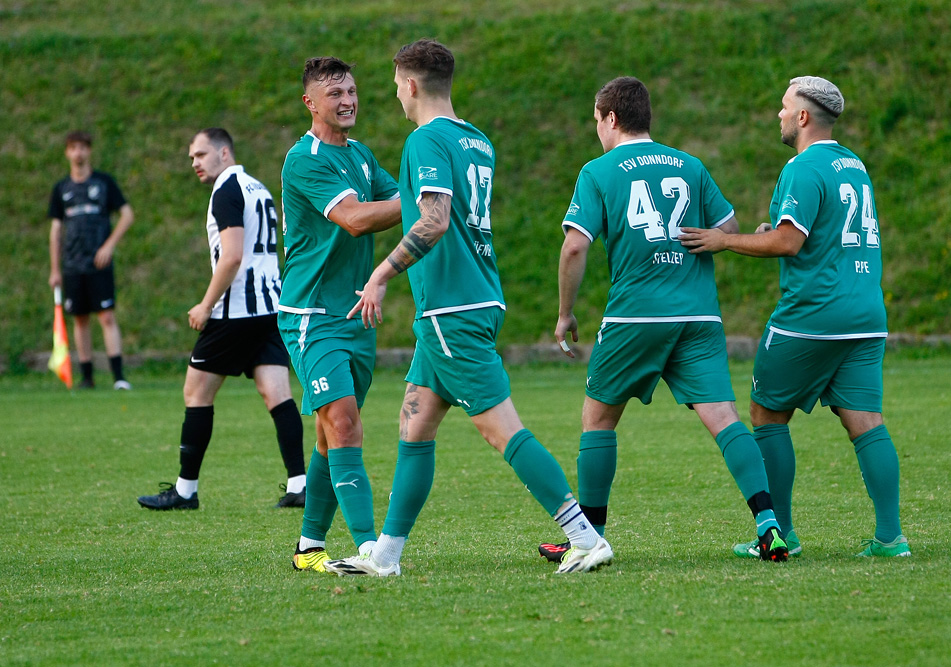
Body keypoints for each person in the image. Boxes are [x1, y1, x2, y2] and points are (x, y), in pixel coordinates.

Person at [326, 38, 611, 578]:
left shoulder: (425, 141)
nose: (395, 95)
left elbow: (433, 221)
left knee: (501, 428)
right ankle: (385, 555)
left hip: (452, 309)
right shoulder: (477, 140)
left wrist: (381, 275)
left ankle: (583, 535)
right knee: (415, 426)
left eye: (394, 86)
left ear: (410, 85)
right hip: (471, 299)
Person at [535, 76, 788, 565]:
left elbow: (574, 245)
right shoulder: (688, 165)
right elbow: (728, 228)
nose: (597, 131)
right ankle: (769, 525)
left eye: (596, 121)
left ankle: (590, 539)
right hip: (698, 315)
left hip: (635, 315)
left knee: (598, 418)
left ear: (610, 119)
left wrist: (566, 313)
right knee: (723, 418)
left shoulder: (598, 170)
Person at [679, 76, 910, 558]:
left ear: (803, 117)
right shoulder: (854, 164)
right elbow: (813, 233)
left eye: (784, 108)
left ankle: (780, 534)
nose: (779, 115)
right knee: (866, 421)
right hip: (866, 312)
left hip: (814, 314)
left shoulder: (802, 168)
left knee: (766, 412)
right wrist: (770, 232)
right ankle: (891, 538)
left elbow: (789, 241)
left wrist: (725, 240)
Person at [277, 57, 403, 573]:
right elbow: (355, 219)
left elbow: (398, 198)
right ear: (310, 103)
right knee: (345, 423)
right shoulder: (303, 160)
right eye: (335, 94)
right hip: (311, 314)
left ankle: (308, 546)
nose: (347, 100)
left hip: (355, 315)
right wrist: (428, 199)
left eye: (351, 90)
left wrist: (432, 191)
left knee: (332, 431)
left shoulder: (362, 156)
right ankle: (371, 547)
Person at [137, 128, 306, 511]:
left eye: (200, 154)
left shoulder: (226, 191)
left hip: (235, 311)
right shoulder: (257, 187)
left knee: (196, 392)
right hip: (270, 307)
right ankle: (300, 483)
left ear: (224, 152)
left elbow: (231, 256)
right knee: (276, 393)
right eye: (192, 157)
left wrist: (205, 305)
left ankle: (184, 491)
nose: (194, 163)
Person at [48, 130, 134, 390]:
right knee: (80, 319)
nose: (78, 152)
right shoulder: (61, 189)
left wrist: (108, 246)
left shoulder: (103, 183)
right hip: (72, 266)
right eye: (73, 148)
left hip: (99, 264)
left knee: (106, 316)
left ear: (89, 151)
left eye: (83, 147)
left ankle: (118, 376)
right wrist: (55, 269)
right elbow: (55, 231)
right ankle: (87, 377)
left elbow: (127, 214)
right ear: (67, 153)